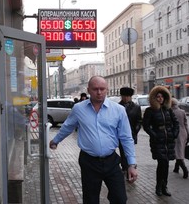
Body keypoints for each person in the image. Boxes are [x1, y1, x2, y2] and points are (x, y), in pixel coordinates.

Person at [49, 76, 137, 204]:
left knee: (120, 198)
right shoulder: (79, 109)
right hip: (89, 161)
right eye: (95, 89)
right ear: (88, 90)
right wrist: (55, 140)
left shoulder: (118, 110)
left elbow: (126, 138)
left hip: (111, 161)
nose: (99, 92)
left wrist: (131, 164)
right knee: (90, 199)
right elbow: (68, 126)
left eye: (102, 89)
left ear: (107, 89)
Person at [143, 86, 179, 197]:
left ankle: (164, 187)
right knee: (162, 163)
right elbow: (146, 126)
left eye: (162, 96)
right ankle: (159, 187)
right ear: (154, 98)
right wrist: (155, 135)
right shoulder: (150, 110)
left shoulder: (168, 109)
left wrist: (174, 133)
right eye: (158, 96)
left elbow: (176, 123)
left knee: (166, 164)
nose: (160, 99)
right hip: (158, 141)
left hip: (168, 141)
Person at [118, 87, 142, 174]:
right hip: (120, 134)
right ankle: (125, 167)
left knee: (130, 151)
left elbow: (139, 121)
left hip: (131, 133)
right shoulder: (117, 107)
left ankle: (130, 167)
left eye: (128, 96)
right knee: (122, 151)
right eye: (124, 96)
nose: (126, 98)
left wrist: (135, 130)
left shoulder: (136, 107)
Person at [171, 98, 189, 179]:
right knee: (179, 150)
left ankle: (185, 170)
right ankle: (176, 168)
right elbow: (186, 124)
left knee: (178, 152)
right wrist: (188, 136)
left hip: (175, 133)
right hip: (183, 133)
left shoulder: (170, 112)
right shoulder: (182, 112)